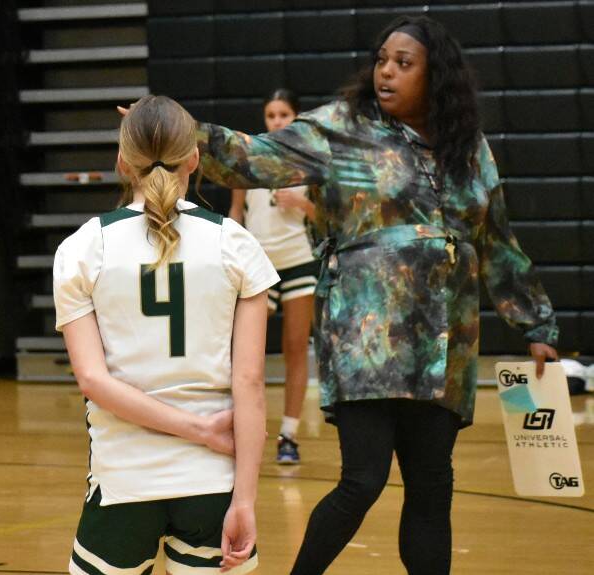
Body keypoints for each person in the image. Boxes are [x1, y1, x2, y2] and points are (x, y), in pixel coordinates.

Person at [194, 16, 558, 574]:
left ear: (436, 76)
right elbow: (252, 155)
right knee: (362, 481)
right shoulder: (341, 129)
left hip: (445, 343)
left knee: (433, 488)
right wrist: (182, 134)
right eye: (382, 59)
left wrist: (536, 327)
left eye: (403, 63)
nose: (385, 71)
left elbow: (497, 241)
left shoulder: (470, 149)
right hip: (368, 338)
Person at [55, 95, 278, 575]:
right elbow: (251, 382)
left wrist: (195, 430)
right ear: (195, 158)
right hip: (213, 484)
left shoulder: (80, 248)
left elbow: (93, 381)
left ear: (121, 161)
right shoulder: (236, 243)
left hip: (124, 485)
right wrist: (245, 498)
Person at [228, 89, 317, 465]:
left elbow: (328, 218)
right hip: (258, 266)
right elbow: (235, 214)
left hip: (298, 260)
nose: (277, 121)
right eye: (271, 114)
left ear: (295, 117)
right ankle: (244, 430)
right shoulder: (250, 161)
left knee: (295, 348)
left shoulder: (310, 162)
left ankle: (289, 436)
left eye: (284, 114)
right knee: (247, 354)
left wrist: (301, 202)